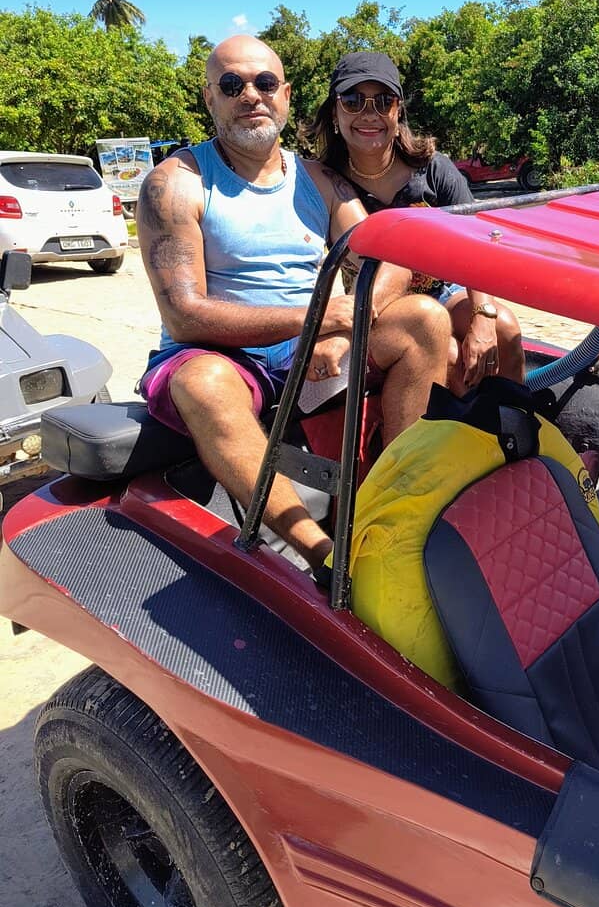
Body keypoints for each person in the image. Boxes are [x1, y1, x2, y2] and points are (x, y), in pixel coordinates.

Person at [136, 35, 451, 572]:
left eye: (264, 83)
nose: (250, 96)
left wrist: (346, 326)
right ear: (209, 98)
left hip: (307, 349)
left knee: (424, 320)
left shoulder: (319, 181)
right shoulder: (174, 183)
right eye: (232, 85)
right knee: (203, 383)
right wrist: (319, 319)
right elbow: (185, 315)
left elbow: (389, 254)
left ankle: (399, 507)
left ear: (285, 94)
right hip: (222, 357)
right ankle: (323, 553)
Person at [309, 51, 525, 394]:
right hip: (374, 305)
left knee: (506, 329)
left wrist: (484, 316)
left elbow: (478, 243)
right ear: (334, 112)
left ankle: (509, 430)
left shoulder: (435, 170)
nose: (370, 114)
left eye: (383, 101)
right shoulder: (325, 182)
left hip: (441, 290)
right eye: (353, 101)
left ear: (398, 111)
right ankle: (445, 440)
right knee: (452, 356)